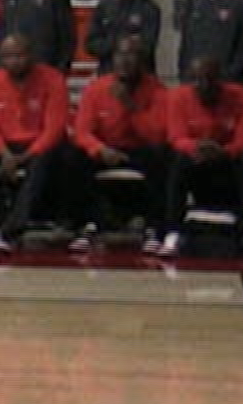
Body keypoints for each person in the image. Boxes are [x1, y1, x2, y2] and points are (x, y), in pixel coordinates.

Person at [0, 35, 79, 250]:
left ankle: (13, 228)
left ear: (31, 56)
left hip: (39, 145)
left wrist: (25, 156)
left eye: (20, 55)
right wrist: (4, 153)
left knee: (49, 157)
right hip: (5, 146)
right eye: (8, 56)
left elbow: (54, 129)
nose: (15, 61)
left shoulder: (53, 79)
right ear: (0, 59)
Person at [158, 56, 243, 258]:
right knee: (175, 159)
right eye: (197, 80)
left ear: (220, 80)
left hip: (228, 159)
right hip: (197, 159)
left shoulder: (242, 96)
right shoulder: (177, 97)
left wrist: (222, 152)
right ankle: (172, 232)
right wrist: (198, 146)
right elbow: (176, 137)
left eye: (209, 80)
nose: (203, 86)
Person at [72, 37, 172, 247]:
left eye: (131, 55)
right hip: (106, 149)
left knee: (163, 155)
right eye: (120, 55)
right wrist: (100, 149)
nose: (125, 61)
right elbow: (82, 131)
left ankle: (154, 226)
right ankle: (90, 222)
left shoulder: (158, 91)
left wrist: (130, 106)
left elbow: (157, 134)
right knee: (72, 156)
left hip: (140, 150)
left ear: (142, 61)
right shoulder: (96, 89)